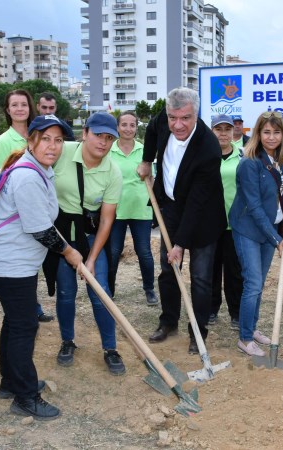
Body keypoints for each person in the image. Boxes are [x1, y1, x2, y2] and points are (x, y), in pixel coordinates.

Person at [0, 114, 82, 420]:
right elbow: (41, 230)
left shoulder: (36, 169)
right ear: (32, 140)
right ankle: (25, 396)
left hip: (9, 263)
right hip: (9, 266)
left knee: (15, 322)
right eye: (46, 138)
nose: (53, 146)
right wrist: (69, 252)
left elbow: (42, 222)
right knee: (25, 326)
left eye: (59, 140)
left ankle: (10, 382)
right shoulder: (26, 175)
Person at [137, 87, 226, 354]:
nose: (177, 125)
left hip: (204, 217)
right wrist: (146, 160)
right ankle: (168, 322)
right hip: (171, 209)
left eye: (185, 118)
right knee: (168, 270)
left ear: (196, 115)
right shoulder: (162, 123)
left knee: (200, 278)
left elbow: (198, 203)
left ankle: (197, 332)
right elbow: (152, 129)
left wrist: (180, 244)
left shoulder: (208, 147)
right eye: (173, 117)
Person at [53, 112, 126, 375]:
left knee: (100, 291)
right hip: (61, 234)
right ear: (84, 133)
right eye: (98, 135)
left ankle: (110, 348)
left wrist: (92, 258)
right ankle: (67, 341)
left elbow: (107, 220)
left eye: (109, 138)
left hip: (91, 234)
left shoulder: (112, 171)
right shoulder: (62, 152)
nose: (103, 143)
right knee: (65, 291)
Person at [228, 111, 283, 356]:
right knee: (252, 283)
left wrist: (275, 233)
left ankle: (251, 328)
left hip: (269, 228)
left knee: (259, 283)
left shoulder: (281, 162)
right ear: (258, 134)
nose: (271, 137)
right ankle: (244, 338)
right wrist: (277, 239)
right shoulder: (249, 162)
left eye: (276, 132)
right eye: (266, 132)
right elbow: (253, 206)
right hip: (248, 229)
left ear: (282, 134)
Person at [107, 111, 158, 305]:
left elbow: (151, 179)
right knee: (113, 251)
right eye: (124, 125)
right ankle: (109, 289)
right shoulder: (109, 150)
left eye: (132, 125)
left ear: (137, 128)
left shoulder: (144, 150)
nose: (128, 129)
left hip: (140, 209)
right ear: (117, 127)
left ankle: (149, 290)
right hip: (116, 209)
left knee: (144, 251)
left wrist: (154, 206)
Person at [208, 114, 243, 330]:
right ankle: (211, 309)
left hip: (235, 224)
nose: (223, 133)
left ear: (233, 132)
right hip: (210, 225)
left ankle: (236, 312)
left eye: (227, 129)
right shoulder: (205, 157)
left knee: (234, 271)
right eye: (218, 129)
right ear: (212, 131)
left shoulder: (243, 157)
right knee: (211, 269)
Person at [0, 89, 37, 171]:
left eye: (24, 105)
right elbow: (0, 178)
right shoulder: (1, 142)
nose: (20, 109)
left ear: (29, 108)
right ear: (8, 110)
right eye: (14, 105)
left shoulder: (38, 137)